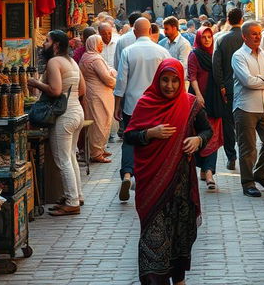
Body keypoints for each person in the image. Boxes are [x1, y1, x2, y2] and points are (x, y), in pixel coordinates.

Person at [124, 59, 213, 285]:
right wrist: (150, 133)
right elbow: (129, 136)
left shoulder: (190, 104)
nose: (170, 86)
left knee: (179, 235)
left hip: (181, 185)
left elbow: (207, 130)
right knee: (153, 237)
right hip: (152, 185)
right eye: (165, 80)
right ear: (157, 79)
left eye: (175, 80)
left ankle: (179, 278)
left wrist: (197, 140)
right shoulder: (145, 103)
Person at [29, 30, 86, 216]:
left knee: (62, 159)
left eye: (47, 41)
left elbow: (55, 90)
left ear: (55, 45)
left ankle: (71, 202)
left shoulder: (54, 62)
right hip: (76, 111)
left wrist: (35, 83)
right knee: (70, 156)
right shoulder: (71, 62)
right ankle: (76, 195)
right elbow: (82, 89)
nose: (43, 44)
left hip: (65, 116)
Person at [114, 17, 168, 202]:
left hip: (132, 105)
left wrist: (117, 106)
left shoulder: (128, 51)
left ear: (135, 32)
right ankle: (152, 180)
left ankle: (128, 175)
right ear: (151, 31)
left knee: (130, 140)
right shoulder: (162, 51)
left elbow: (121, 80)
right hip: (156, 105)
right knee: (153, 141)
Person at [232, 21, 264, 197]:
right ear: (244, 36)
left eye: (259, 33)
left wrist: (260, 79)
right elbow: (248, 82)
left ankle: (260, 173)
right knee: (248, 148)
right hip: (245, 107)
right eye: (253, 34)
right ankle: (248, 183)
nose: (258, 37)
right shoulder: (238, 56)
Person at [188, 26, 224, 190]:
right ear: (199, 38)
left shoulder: (215, 53)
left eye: (210, 36)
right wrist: (198, 95)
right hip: (199, 100)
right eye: (204, 37)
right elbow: (192, 75)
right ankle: (204, 168)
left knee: (213, 135)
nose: (208, 39)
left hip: (215, 99)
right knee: (200, 133)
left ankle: (209, 172)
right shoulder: (194, 54)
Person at [212, 7, 244, 170]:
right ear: (241, 20)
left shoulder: (221, 39)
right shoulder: (248, 38)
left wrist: (222, 87)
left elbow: (216, 66)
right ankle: (249, 158)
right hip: (247, 89)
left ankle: (231, 157)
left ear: (228, 20)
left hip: (229, 89)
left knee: (228, 124)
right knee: (246, 125)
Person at [79, 35, 116, 163]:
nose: (101, 46)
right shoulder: (95, 59)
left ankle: (99, 149)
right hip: (99, 95)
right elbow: (106, 78)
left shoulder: (86, 56)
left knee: (97, 122)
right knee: (100, 122)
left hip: (92, 94)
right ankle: (96, 153)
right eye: (100, 43)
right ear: (93, 44)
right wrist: (116, 82)